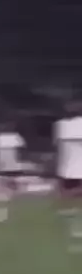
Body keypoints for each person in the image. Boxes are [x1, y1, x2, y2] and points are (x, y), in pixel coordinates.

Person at [54, 101, 82, 241]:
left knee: (68, 198)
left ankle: (71, 226)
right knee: (72, 198)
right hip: (73, 167)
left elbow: (56, 145)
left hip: (66, 167)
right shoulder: (61, 125)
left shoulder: (60, 125)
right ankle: (74, 228)